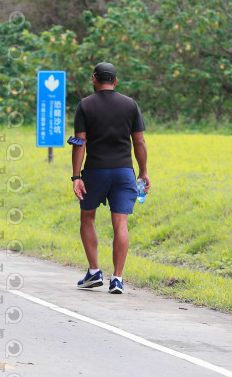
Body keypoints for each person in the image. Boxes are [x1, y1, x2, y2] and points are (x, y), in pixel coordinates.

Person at [71, 62, 150, 294]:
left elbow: (79, 143)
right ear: (115, 81)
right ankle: (117, 278)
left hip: (95, 171)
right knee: (121, 224)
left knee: (87, 216)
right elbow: (140, 142)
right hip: (124, 172)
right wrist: (143, 172)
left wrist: (76, 175)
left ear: (94, 78)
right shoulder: (130, 105)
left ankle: (94, 272)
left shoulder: (85, 105)